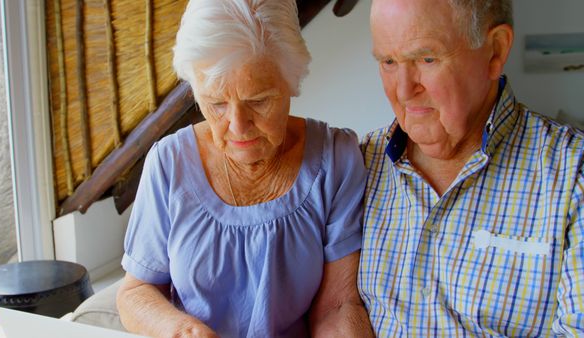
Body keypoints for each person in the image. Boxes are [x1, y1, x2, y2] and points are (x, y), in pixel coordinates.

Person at [116, 0, 372, 337]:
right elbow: (136, 293)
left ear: (291, 80)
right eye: (217, 103)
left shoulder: (335, 159)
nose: (238, 127)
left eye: (259, 100)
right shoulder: (169, 163)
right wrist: (180, 329)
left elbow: (338, 306)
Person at [358, 0, 584, 336]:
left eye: (427, 58)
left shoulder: (573, 173)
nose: (403, 91)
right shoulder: (356, 166)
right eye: (388, 61)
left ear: (495, 50)